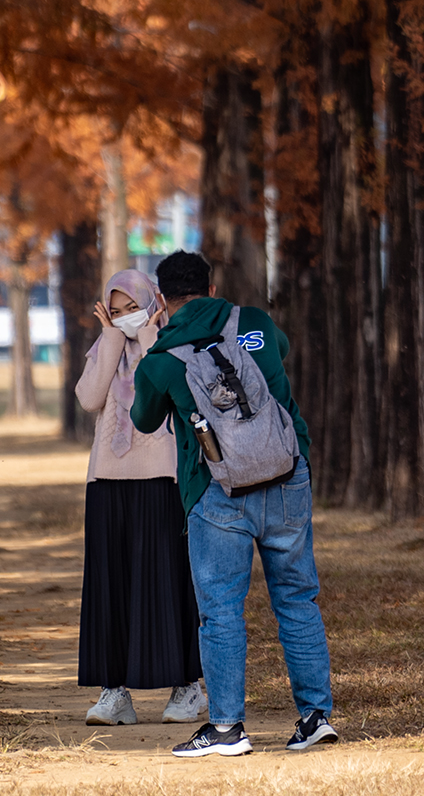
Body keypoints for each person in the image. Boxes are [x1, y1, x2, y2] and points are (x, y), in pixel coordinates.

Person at [131, 250, 335, 759]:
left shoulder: (162, 359)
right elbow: (276, 351)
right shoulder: (256, 324)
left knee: (221, 610)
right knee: (297, 597)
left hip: (217, 490)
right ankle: (314, 718)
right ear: (210, 285)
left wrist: (158, 341)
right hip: (287, 475)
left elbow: (143, 420)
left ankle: (226, 729)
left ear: (161, 298)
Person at [73, 268, 207, 726]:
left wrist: (150, 334)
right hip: (107, 480)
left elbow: (167, 384)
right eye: (117, 311)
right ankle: (115, 692)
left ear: (153, 304)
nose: (127, 317)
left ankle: (187, 686)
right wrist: (112, 339)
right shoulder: (104, 348)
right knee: (111, 584)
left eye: (134, 308)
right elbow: (90, 398)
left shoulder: (171, 343)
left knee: (168, 580)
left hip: (162, 477)